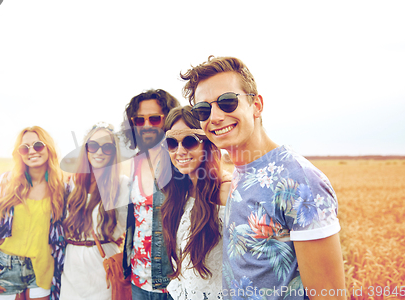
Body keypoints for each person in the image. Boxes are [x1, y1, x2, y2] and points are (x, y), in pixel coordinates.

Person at [181, 56, 346, 299]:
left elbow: (329, 294)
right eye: (202, 110)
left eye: (227, 102)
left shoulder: (300, 181)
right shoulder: (240, 169)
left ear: (256, 105)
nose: (214, 117)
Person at [0, 126, 67, 300]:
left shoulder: (61, 188)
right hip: (5, 269)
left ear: (49, 148)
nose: (31, 151)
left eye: (38, 145)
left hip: (42, 269)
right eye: (24, 148)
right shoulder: (5, 183)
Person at [161, 106, 231, 300]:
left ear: (207, 144)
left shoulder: (225, 192)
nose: (180, 151)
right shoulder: (179, 194)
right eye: (172, 143)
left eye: (190, 141)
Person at [121, 89, 180, 300]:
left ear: (168, 120)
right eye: (139, 120)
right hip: (138, 279)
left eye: (155, 118)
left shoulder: (179, 160)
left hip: (172, 282)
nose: (146, 125)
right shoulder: (135, 162)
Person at [60, 123, 129, 300]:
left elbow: (136, 228)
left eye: (107, 147)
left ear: (114, 152)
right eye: (93, 146)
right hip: (71, 267)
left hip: (102, 265)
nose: (99, 152)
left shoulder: (122, 184)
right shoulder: (72, 184)